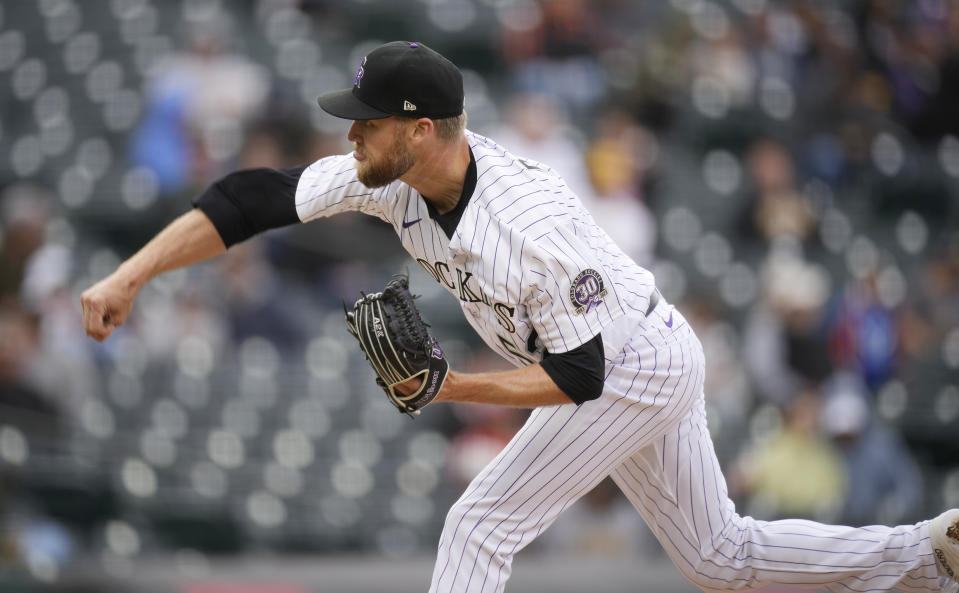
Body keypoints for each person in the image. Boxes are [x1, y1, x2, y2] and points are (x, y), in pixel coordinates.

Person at [81, 40, 959, 593]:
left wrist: (450, 386)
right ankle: (928, 554)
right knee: (719, 559)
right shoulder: (391, 178)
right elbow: (251, 198)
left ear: (419, 129)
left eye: (366, 123)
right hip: (627, 350)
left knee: (479, 523)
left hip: (628, 362)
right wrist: (131, 273)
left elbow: (581, 378)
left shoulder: (525, 229)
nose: (350, 137)